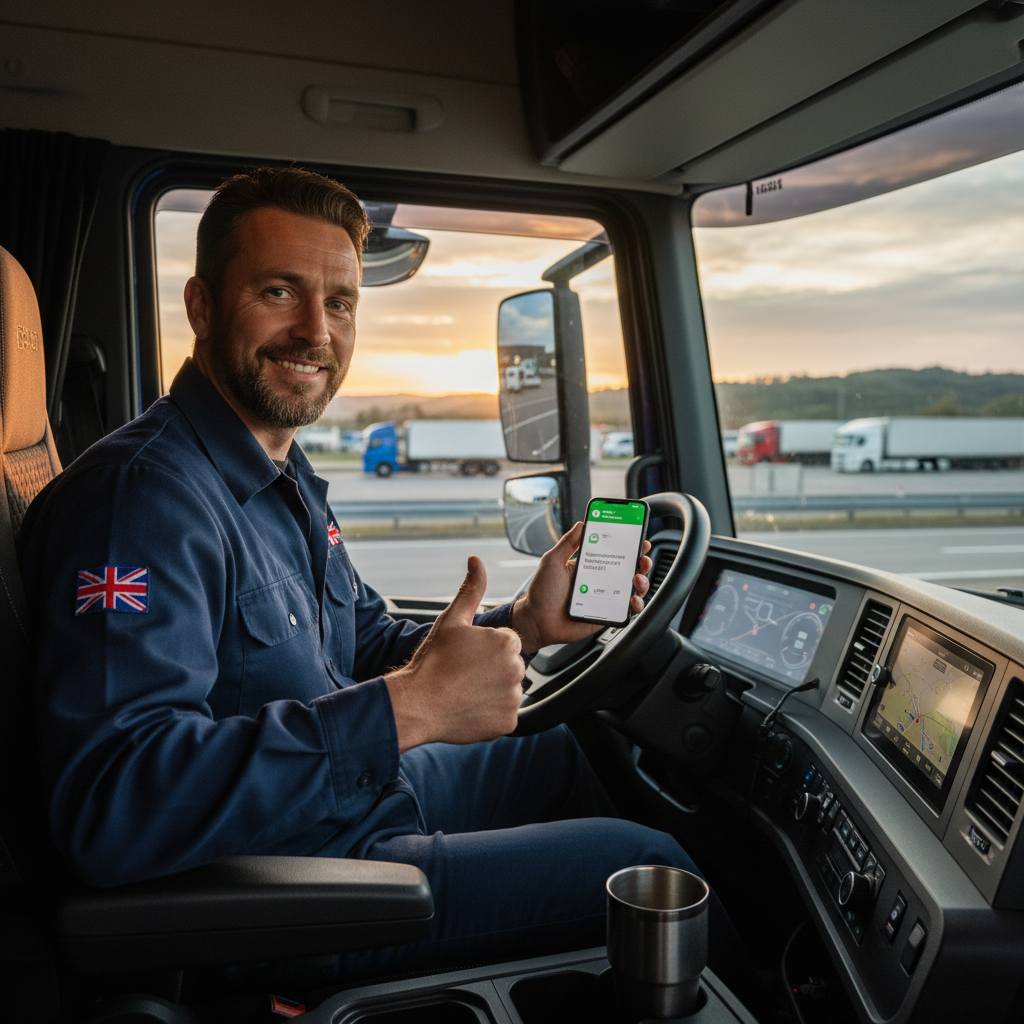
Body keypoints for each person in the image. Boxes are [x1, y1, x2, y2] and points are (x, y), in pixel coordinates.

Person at [19, 168, 737, 984]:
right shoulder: (143, 500)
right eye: (280, 292)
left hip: (348, 801)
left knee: (562, 750)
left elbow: (363, 640)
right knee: (652, 867)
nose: (315, 332)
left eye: (340, 303)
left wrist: (525, 625)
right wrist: (407, 711)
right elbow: (115, 805)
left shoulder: (278, 476)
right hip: (289, 879)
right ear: (202, 308)